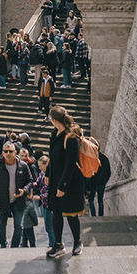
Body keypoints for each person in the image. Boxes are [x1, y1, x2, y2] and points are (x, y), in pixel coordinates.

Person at [45, 105, 87, 259]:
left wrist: (63, 186)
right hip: (55, 179)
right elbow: (52, 157)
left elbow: (70, 165)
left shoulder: (71, 138)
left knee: (71, 213)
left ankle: (77, 242)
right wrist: (48, 173)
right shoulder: (54, 134)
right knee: (56, 212)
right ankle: (58, 244)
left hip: (69, 183)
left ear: (55, 120)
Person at [0, 142, 34, 248]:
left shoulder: (23, 166)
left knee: (19, 226)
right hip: (2, 201)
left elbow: (30, 181)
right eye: (6, 151)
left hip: (18, 201)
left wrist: (24, 190)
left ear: (15, 152)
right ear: (2, 153)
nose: (8, 153)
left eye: (11, 151)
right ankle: (3, 244)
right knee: (1, 226)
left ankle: (14, 246)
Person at [84, 138, 112, 216]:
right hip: (102, 184)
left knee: (91, 200)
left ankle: (93, 216)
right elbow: (108, 172)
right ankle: (101, 216)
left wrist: (87, 188)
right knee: (100, 200)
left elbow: (87, 175)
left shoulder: (90, 160)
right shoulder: (105, 159)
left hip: (93, 185)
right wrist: (104, 181)